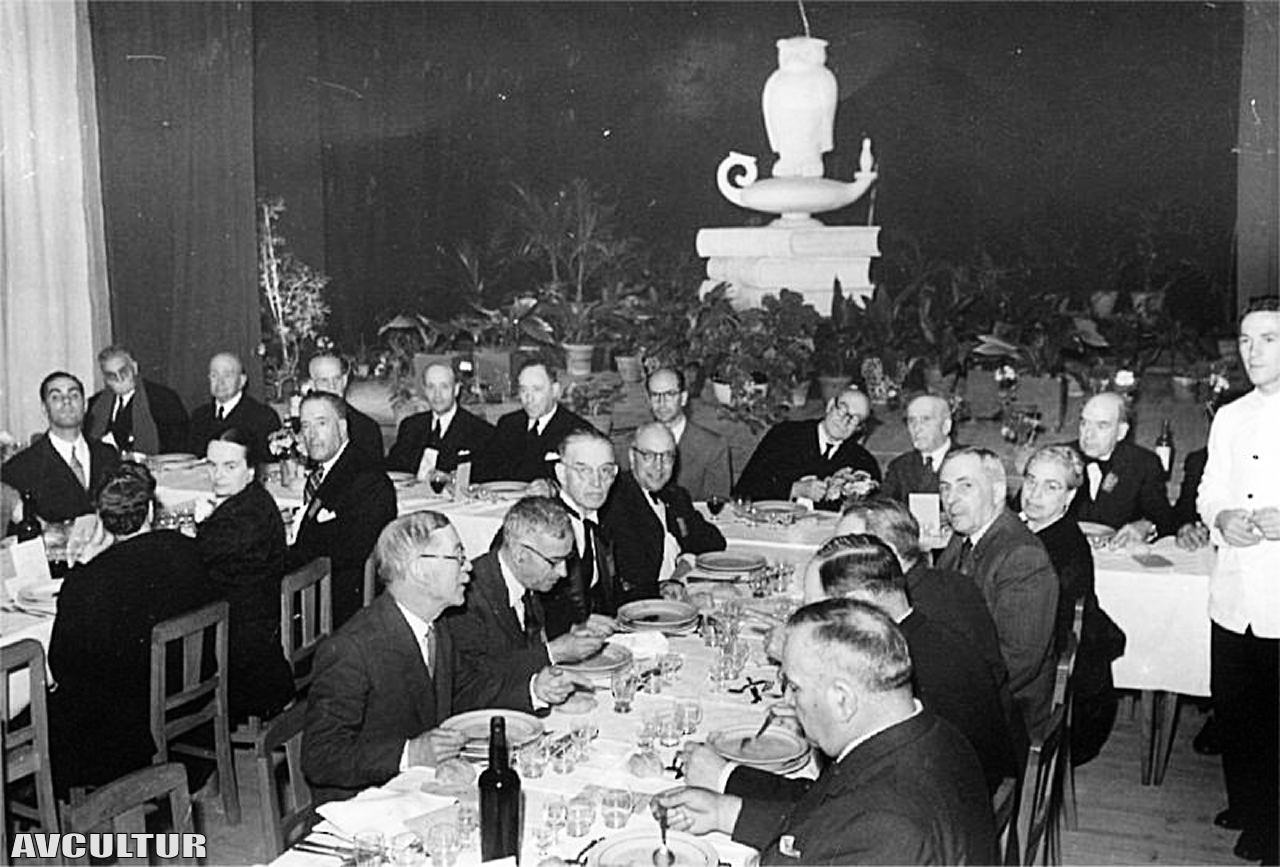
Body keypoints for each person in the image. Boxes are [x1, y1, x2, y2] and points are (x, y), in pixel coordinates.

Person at [657, 598, 997, 865]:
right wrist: (725, 813)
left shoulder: (889, 825)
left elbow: (854, 829)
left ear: (842, 700)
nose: (788, 700)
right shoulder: (933, 734)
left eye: (795, 687)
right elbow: (830, 820)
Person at [46, 462, 216, 795]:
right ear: (151, 509)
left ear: (102, 519)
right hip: (187, 691)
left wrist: (82, 567)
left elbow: (61, 666)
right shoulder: (189, 549)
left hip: (127, 722)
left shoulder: (88, 581)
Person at [802, 534, 1019, 792]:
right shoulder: (937, 635)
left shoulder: (891, 670)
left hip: (936, 800)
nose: (810, 626)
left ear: (860, 602)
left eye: (817, 611)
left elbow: (844, 774)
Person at [302, 512, 473, 804]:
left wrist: (534, 686)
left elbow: (467, 687)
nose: (468, 566)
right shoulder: (352, 649)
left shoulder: (435, 624)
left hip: (421, 789)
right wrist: (409, 754)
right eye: (458, 556)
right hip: (366, 805)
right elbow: (320, 758)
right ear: (419, 570)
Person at [1196, 297, 1280, 864]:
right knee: (1236, 708)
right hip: (1233, 593)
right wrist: (1222, 516)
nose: (1253, 351)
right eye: (1246, 340)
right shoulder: (1229, 414)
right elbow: (1210, 490)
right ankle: (1249, 805)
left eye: (1268, 339)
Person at [441, 496, 606, 713]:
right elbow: (473, 681)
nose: (564, 572)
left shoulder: (529, 581)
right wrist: (553, 652)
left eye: (567, 559)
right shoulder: (467, 597)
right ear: (520, 554)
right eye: (555, 562)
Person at [937, 447, 1059, 738]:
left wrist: (940, 691)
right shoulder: (963, 537)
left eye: (966, 486)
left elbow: (1016, 662)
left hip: (1007, 713)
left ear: (997, 491)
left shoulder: (1023, 556)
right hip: (968, 683)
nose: (951, 499)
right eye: (945, 488)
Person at [1020, 444, 1125, 766]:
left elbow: (1034, 645)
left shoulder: (1061, 548)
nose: (1034, 494)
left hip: (1067, 709)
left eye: (1051, 486)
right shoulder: (1027, 530)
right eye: (1031, 480)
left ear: (1069, 496)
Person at [194, 428, 295, 724]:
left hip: (242, 657)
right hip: (255, 634)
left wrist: (200, 528)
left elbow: (198, 559)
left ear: (250, 472)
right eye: (212, 465)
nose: (218, 475)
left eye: (230, 466)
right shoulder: (253, 501)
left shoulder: (243, 519)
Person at [288, 391, 396, 627]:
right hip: (314, 591)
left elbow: (351, 550)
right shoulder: (326, 470)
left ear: (343, 427)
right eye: (305, 426)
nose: (311, 435)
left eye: (321, 423)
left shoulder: (367, 478)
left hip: (334, 608)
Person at [601, 422, 725, 595]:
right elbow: (630, 580)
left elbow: (713, 540)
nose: (658, 466)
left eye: (667, 457)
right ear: (632, 457)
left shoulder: (675, 496)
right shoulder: (615, 502)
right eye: (649, 456)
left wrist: (685, 562)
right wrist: (665, 587)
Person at [539, 429, 626, 638]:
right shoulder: (539, 528)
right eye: (584, 470)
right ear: (561, 474)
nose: (597, 482)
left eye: (605, 470)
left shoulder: (604, 523)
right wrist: (571, 627)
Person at [2, 371, 120, 523]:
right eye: (56, 397)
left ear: (85, 405)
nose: (66, 401)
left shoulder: (108, 455)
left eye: (74, 395)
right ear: (44, 409)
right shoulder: (20, 468)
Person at [734, 386, 880, 506]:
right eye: (842, 409)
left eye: (854, 419)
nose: (844, 420)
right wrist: (794, 489)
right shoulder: (784, 436)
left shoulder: (862, 462)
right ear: (830, 405)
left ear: (859, 428)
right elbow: (744, 491)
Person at [1070, 391, 1178, 546]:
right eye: (1084, 423)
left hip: (1118, 553)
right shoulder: (1059, 458)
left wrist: (1147, 526)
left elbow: (1165, 520)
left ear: (1121, 432)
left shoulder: (1142, 464)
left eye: (1101, 426)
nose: (1088, 434)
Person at [471, 357, 594, 484]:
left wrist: (553, 488)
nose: (528, 398)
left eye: (536, 389)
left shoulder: (578, 432)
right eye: (523, 390)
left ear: (555, 391)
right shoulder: (509, 424)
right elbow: (484, 469)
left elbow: (588, 483)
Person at [387, 361, 494, 479]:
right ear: (424, 390)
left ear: (456, 390)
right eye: (431, 387)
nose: (437, 394)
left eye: (444, 387)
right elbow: (392, 469)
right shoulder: (410, 427)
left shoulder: (481, 432)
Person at [84, 344, 189, 455]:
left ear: (134, 368)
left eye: (123, 371)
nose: (119, 379)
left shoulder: (164, 400)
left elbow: (179, 446)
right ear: (105, 378)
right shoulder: (95, 405)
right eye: (111, 375)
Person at [645, 367, 731, 501]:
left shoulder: (713, 446)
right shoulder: (637, 443)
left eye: (670, 394)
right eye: (655, 395)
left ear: (683, 398)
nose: (662, 403)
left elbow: (717, 502)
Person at [188, 352, 282, 461]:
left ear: (242, 381)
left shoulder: (263, 417)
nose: (220, 382)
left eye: (227, 376)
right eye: (214, 376)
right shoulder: (199, 417)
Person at [308, 352, 385, 464]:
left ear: (344, 381)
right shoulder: (298, 428)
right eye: (324, 380)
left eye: (337, 379)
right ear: (312, 385)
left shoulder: (366, 430)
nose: (332, 386)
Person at [881, 394, 954, 502]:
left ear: (946, 426)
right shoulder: (899, 467)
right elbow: (883, 506)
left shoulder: (969, 461)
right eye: (911, 421)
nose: (917, 428)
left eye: (926, 419)